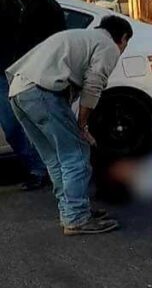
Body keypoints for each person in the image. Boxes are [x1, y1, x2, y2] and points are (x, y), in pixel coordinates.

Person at [6, 16, 132, 235]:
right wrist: (82, 125)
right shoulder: (108, 46)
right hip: (41, 93)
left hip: (18, 93)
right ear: (122, 37)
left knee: (56, 157)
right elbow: (94, 85)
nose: (122, 49)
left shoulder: (80, 37)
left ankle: (72, 210)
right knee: (76, 154)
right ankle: (76, 217)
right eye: (125, 44)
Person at [0, 0, 65, 191]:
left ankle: (44, 170)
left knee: (39, 125)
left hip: (35, 74)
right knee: (12, 127)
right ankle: (36, 167)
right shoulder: (2, 0)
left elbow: (60, 41)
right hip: (3, 74)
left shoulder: (49, 6)